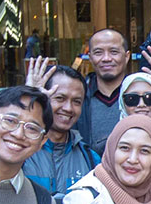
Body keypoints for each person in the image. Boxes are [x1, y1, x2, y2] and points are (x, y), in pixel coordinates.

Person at [21, 62, 99, 196]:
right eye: (60, 98)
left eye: (76, 101)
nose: (68, 108)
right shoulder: (18, 149)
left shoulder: (90, 158)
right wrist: (26, 105)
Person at [77, 27, 133, 153]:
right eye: (98, 53)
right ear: (90, 57)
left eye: (114, 52)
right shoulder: (79, 97)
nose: (106, 58)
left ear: (127, 56)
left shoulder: (141, 96)